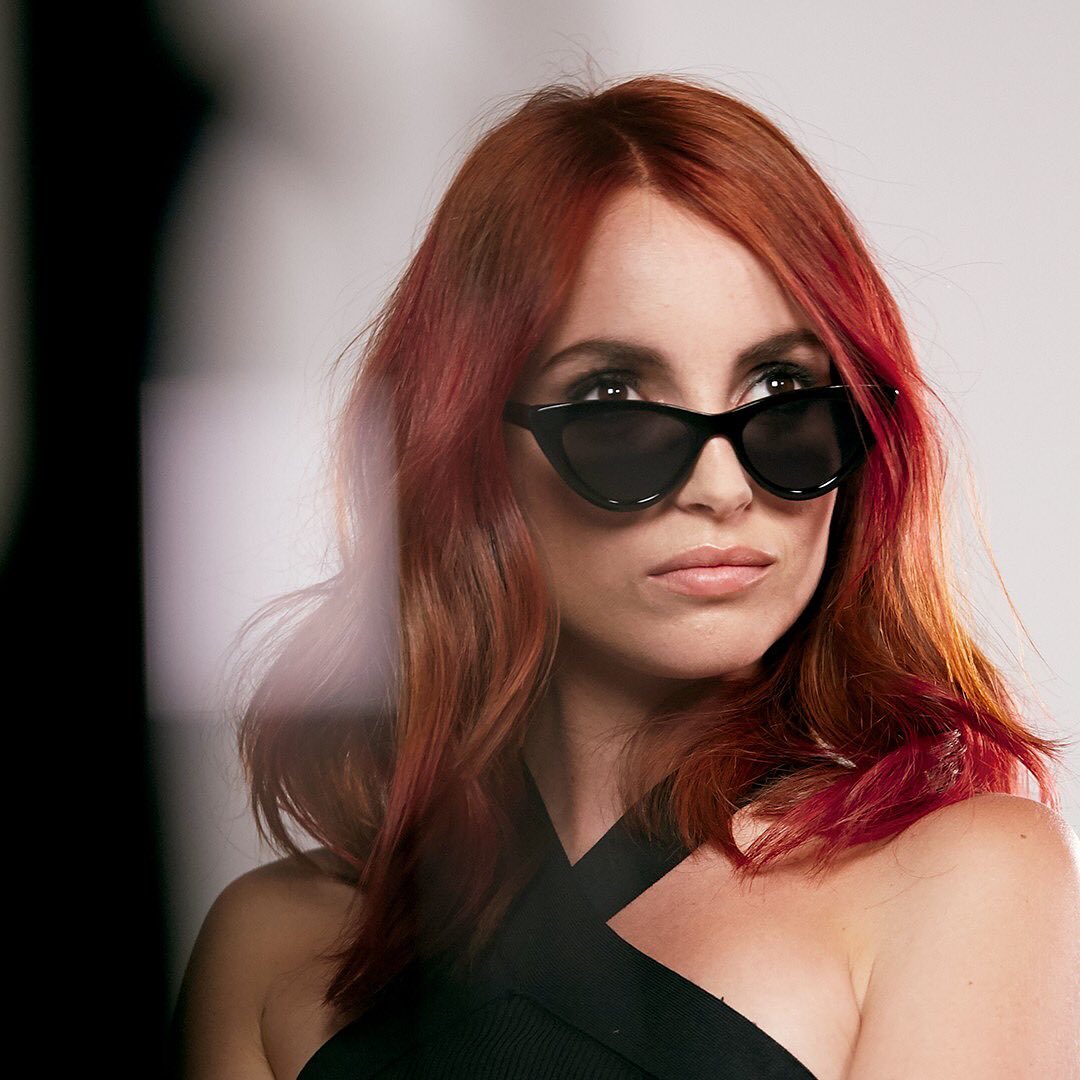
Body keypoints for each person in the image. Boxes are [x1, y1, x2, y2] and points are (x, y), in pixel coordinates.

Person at [169, 73, 1080, 1080]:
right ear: (469, 451)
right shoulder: (272, 946)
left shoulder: (958, 873)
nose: (723, 487)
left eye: (782, 386)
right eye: (614, 398)